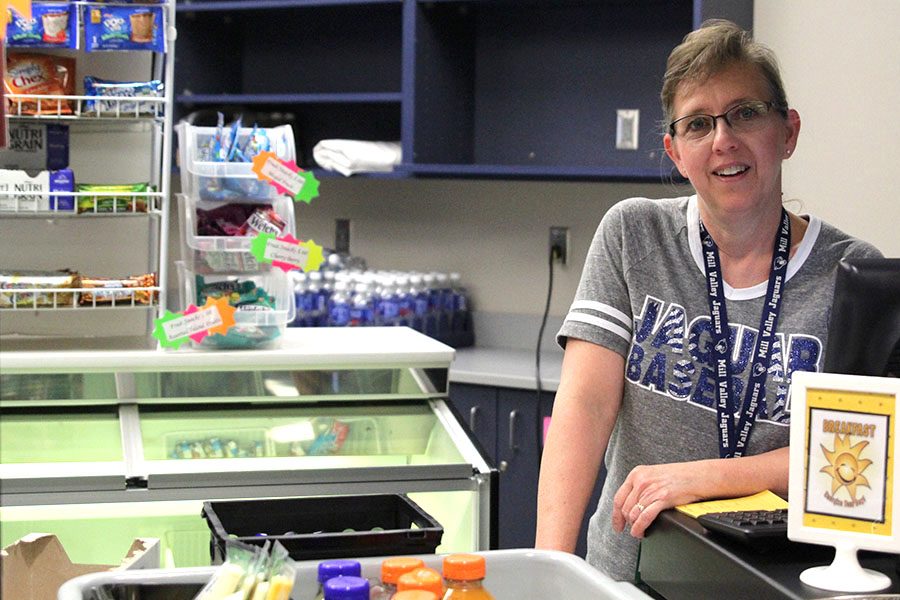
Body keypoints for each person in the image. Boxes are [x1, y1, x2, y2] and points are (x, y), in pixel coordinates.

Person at [534, 19, 882, 582]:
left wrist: (704, 477)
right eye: (699, 124)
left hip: (774, 581)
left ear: (787, 131)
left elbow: (855, 456)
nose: (723, 139)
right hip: (628, 576)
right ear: (675, 151)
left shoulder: (853, 274)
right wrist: (549, 571)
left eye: (745, 112)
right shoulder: (633, 235)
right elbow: (585, 409)